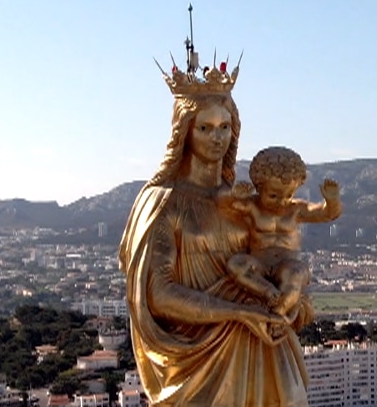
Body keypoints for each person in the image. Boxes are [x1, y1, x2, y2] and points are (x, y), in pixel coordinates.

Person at [119, 61, 310, 406]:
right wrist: (240, 313)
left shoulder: (242, 201)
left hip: (267, 348)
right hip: (199, 364)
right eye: (205, 127)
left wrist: (292, 302)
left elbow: (273, 261)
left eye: (225, 126)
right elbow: (157, 294)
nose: (217, 137)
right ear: (184, 131)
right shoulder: (163, 202)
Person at [218, 146, 342, 336]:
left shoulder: (295, 209)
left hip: (287, 264)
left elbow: (326, 214)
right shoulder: (252, 205)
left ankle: (278, 312)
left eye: (288, 195)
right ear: (259, 188)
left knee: (296, 275)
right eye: (273, 195)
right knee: (236, 264)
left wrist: (332, 201)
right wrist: (236, 195)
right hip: (258, 265)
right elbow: (225, 207)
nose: (281, 202)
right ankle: (267, 291)